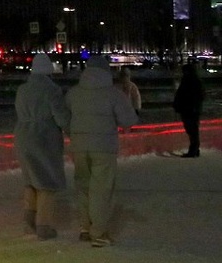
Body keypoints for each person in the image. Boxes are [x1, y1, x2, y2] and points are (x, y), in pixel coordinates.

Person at [65, 54, 139, 246]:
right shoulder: (113, 94)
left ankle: (84, 226)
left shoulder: (74, 93)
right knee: (101, 188)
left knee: (83, 185)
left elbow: (65, 118)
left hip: (79, 146)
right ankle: (98, 232)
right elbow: (128, 120)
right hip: (104, 148)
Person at [12, 52, 71, 239]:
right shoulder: (52, 91)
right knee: (46, 182)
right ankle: (44, 226)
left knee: (30, 180)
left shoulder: (22, 90)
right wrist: (73, 131)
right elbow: (61, 118)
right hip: (44, 138)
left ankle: (29, 222)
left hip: (23, 135)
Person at [172, 61, 205, 158]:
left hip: (190, 109)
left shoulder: (191, 81)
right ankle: (195, 149)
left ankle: (193, 150)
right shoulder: (191, 80)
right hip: (189, 109)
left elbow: (195, 95)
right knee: (191, 129)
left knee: (192, 129)